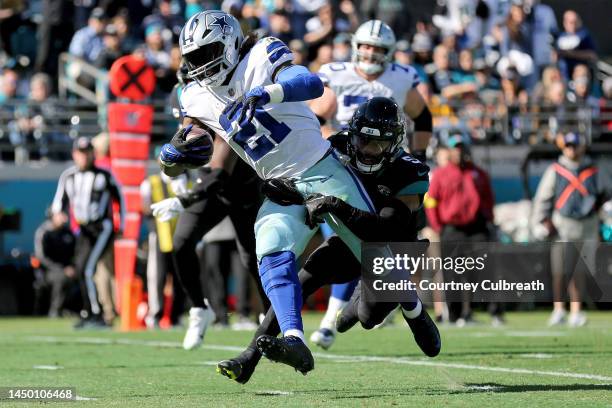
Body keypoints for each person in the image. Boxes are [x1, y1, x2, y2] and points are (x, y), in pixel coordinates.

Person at [161, 10, 395, 374]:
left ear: (229, 45)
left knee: (378, 278)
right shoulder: (194, 94)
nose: (202, 65)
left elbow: (311, 84)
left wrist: (264, 93)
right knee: (270, 254)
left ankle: (411, 309)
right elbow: (193, 143)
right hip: (280, 186)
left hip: (320, 169)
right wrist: (171, 157)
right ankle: (293, 339)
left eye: (208, 54)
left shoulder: (261, 55)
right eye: (194, 58)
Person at [217, 97, 440, 383]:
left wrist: (335, 205)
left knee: (368, 316)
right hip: (348, 239)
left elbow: (382, 230)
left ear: (394, 143)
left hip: (390, 248)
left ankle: (409, 309)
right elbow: (306, 181)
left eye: (378, 144)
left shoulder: (409, 170)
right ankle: (248, 357)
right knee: (302, 280)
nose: (368, 151)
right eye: (362, 141)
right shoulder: (336, 145)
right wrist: (286, 190)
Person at [307, 19, 433, 349]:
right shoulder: (336, 73)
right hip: (346, 165)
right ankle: (332, 321)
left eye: (378, 48)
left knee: (392, 237)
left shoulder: (401, 77)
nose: (370, 52)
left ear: (390, 52)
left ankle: (387, 301)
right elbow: (317, 116)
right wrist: (327, 149)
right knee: (346, 239)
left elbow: (424, 116)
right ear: (355, 46)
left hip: (388, 167)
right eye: (366, 45)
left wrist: (419, 154)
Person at [151, 66, 268, 349]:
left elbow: (220, 171)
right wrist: (175, 170)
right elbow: (184, 147)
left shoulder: (220, 98)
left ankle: (272, 319)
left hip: (242, 186)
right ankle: (198, 309)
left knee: (252, 258)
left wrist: (183, 199)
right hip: (209, 184)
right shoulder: (179, 96)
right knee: (180, 243)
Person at [424, 134, 500, 326]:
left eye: (461, 148)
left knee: (479, 269)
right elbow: (431, 201)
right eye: (455, 148)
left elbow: (488, 198)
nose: (459, 152)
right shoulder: (441, 174)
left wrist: (489, 219)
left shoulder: (478, 173)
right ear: (450, 151)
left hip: (476, 227)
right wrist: (437, 225)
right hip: (451, 228)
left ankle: (472, 311)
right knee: (452, 273)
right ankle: (455, 314)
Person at [50, 137, 125, 328]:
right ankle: (90, 312)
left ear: (93, 153)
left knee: (89, 269)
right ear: (75, 154)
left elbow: (120, 200)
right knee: (81, 270)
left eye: (88, 152)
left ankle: (98, 314)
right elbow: (59, 203)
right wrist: (58, 215)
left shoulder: (104, 175)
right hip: (83, 229)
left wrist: (121, 225)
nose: (85, 156)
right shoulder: (69, 176)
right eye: (81, 153)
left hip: (102, 228)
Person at [530, 132, 602, 327]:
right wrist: (539, 221)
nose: (571, 149)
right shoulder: (556, 170)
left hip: (587, 225)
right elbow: (543, 197)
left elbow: (604, 195)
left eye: (574, 145)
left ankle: (576, 310)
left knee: (579, 270)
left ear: (582, 147)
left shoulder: (593, 170)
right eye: (568, 145)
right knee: (560, 270)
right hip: (563, 225)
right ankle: (559, 308)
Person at [33, 211, 76, 317]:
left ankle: (86, 311)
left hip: (69, 269)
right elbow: (42, 257)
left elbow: (76, 252)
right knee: (61, 278)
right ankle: (55, 311)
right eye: (61, 215)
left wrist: (73, 267)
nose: (64, 218)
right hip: (48, 271)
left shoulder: (67, 232)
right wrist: (62, 269)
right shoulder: (44, 232)